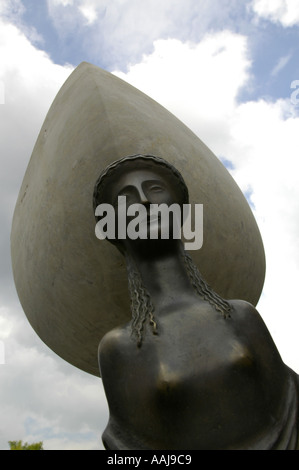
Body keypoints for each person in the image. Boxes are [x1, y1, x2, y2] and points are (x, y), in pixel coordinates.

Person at [93, 154, 299, 450]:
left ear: (181, 214)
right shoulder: (120, 348)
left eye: (154, 189)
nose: (144, 202)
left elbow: (290, 405)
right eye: (126, 197)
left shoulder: (240, 315)